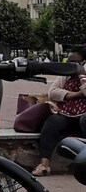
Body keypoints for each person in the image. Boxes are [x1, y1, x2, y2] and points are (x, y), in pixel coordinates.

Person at [32, 46, 86, 176]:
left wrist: (81, 76)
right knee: (52, 122)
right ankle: (44, 164)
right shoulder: (66, 76)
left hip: (84, 117)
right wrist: (77, 94)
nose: (70, 65)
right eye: (69, 62)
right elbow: (53, 93)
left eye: (74, 63)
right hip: (67, 114)